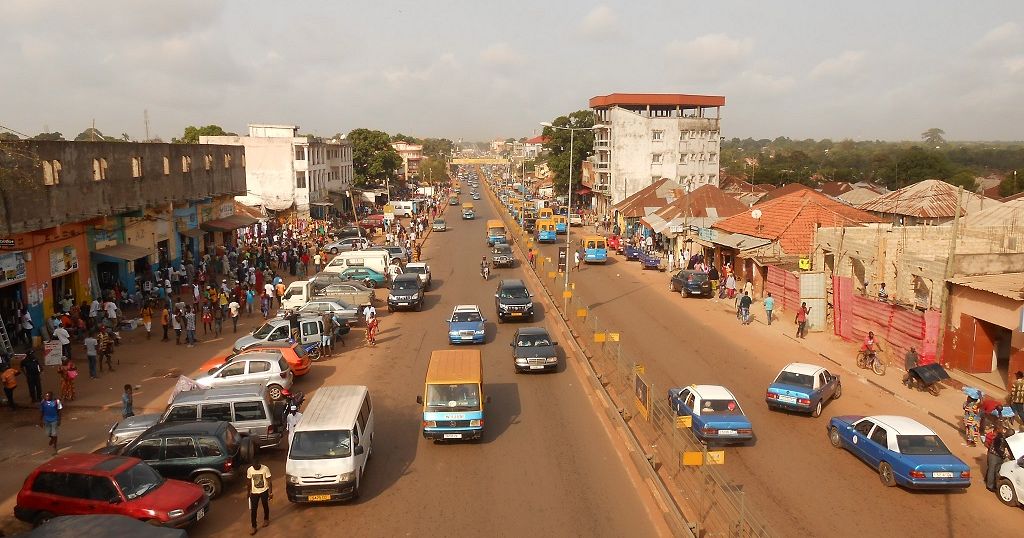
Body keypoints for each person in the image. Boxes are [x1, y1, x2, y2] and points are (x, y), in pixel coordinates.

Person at [246, 459, 272, 535]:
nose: (255, 468)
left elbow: (269, 481)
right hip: (254, 492)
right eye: (254, 466)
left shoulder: (265, 468)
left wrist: (270, 492)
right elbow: (248, 482)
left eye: (256, 466)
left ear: (259, 464)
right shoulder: (250, 470)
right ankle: (254, 526)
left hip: (264, 490)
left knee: (265, 505)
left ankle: (266, 519)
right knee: (253, 510)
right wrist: (248, 492)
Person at [985, 425, 1010, 491]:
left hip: (999, 456)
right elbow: (996, 448)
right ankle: (989, 486)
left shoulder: (1004, 438)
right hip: (994, 455)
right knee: (992, 470)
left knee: (996, 471)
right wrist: (1003, 454)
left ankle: (992, 484)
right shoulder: (999, 437)